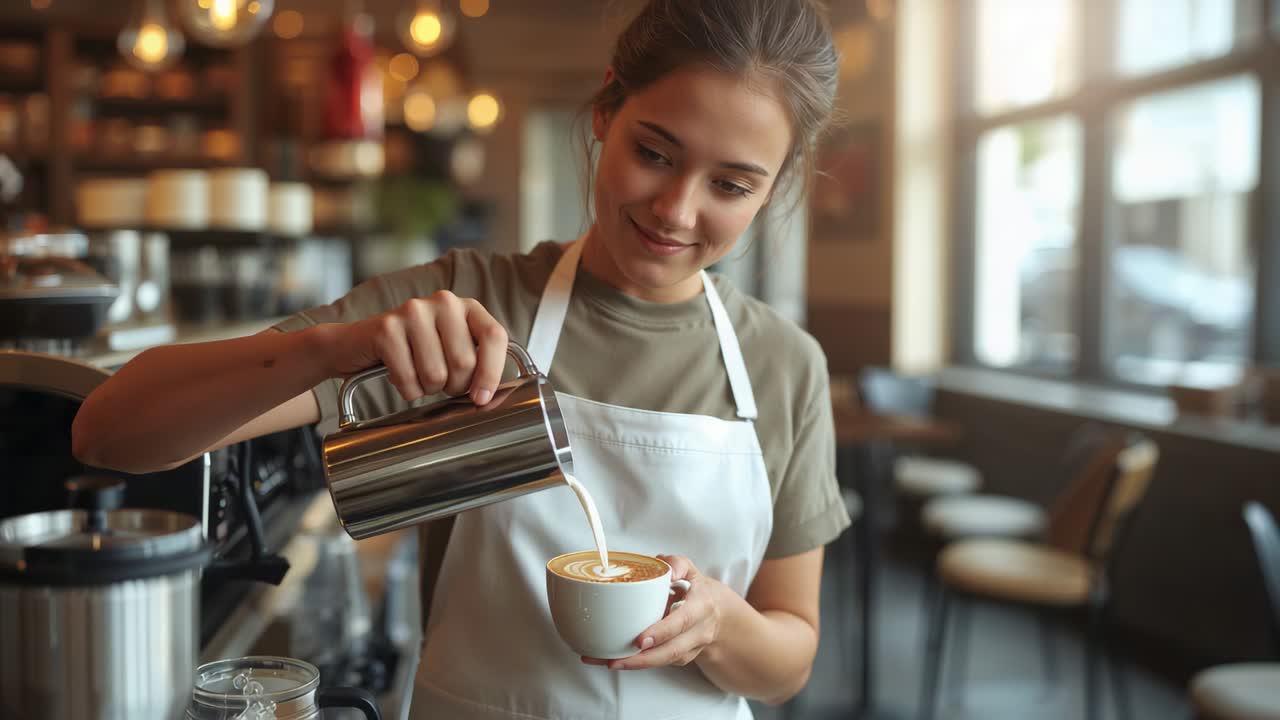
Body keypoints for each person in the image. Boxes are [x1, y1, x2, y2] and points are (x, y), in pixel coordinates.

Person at [72, 0, 850, 716]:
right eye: (654, 152)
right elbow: (110, 434)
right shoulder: (472, 306)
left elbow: (789, 657)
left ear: (775, 186)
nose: (677, 210)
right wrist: (336, 346)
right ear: (606, 109)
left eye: (732, 184)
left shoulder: (783, 364)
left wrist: (722, 626)